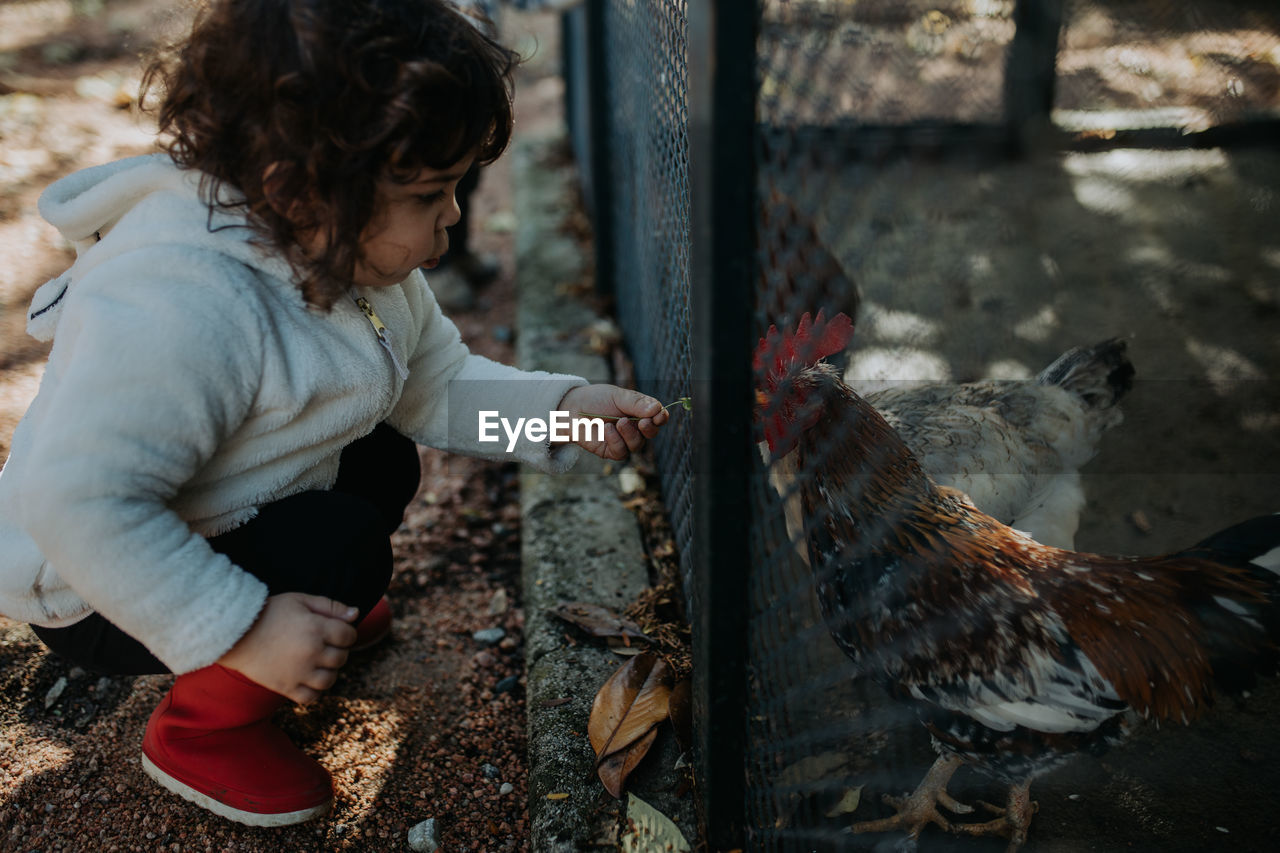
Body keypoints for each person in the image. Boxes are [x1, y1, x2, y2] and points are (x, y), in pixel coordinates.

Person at [0, 0, 665, 828]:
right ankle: (203, 721)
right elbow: (80, 506)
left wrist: (559, 413)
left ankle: (309, 604)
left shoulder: (350, 252)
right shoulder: (180, 304)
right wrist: (242, 631)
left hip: (204, 504)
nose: (455, 216)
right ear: (302, 188)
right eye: (431, 193)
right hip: (94, 578)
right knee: (339, 545)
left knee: (384, 457)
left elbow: (436, 386)